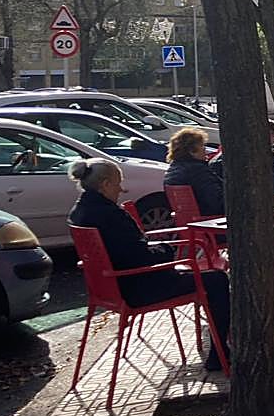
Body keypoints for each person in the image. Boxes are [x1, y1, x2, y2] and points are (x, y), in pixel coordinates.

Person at [69, 157, 230, 371]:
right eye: (118, 184)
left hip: (114, 286)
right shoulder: (110, 215)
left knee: (207, 277)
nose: (121, 189)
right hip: (140, 286)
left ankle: (220, 349)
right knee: (217, 280)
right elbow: (136, 255)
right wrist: (165, 250)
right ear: (105, 184)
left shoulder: (79, 212)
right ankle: (219, 355)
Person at [164, 127, 225, 216]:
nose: (205, 149)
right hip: (209, 219)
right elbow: (218, 203)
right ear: (192, 151)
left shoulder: (173, 169)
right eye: (202, 145)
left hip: (189, 219)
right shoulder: (198, 171)